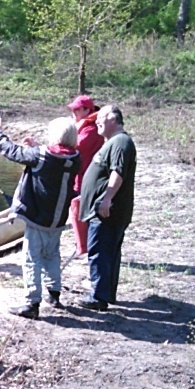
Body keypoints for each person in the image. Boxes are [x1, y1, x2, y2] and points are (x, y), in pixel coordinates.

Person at [0, 116, 80, 319]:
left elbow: (12, 151)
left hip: (38, 217)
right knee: (51, 255)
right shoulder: (75, 157)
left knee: (31, 259)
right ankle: (54, 293)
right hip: (58, 218)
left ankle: (31, 303)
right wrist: (36, 147)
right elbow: (51, 158)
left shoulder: (41, 156)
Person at [77, 105, 137, 311]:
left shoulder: (120, 142)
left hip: (107, 212)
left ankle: (98, 296)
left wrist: (107, 198)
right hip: (106, 211)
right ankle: (105, 293)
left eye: (100, 117)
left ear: (113, 119)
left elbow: (117, 172)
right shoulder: (113, 142)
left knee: (100, 252)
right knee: (107, 252)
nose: (96, 122)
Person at [66, 95, 104, 257]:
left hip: (87, 178)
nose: (73, 112)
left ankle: (83, 249)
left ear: (87, 110)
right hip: (81, 176)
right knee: (79, 210)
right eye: (73, 109)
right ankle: (83, 246)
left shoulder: (91, 129)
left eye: (77, 109)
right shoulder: (87, 125)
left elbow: (75, 148)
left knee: (79, 210)